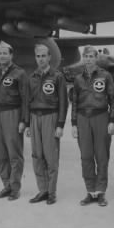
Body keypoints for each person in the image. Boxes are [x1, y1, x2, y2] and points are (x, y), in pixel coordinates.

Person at [71, 46, 114, 207]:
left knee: (102, 156)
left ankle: (101, 192)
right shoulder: (78, 79)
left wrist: (112, 121)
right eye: (86, 56)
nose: (89, 59)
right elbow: (75, 103)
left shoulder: (105, 76)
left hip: (101, 117)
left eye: (92, 56)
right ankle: (90, 191)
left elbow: (113, 100)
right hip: (83, 118)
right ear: (83, 58)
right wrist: (74, 124)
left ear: (96, 58)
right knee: (86, 156)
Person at [25, 43, 68, 205]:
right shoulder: (32, 77)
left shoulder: (57, 77)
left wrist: (60, 125)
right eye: (38, 56)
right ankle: (42, 190)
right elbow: (27, 102)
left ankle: (51, 192)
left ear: (49, 57)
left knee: (51, 156)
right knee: (37, 156)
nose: (41, 59)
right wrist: (28, 124)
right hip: (35, 117)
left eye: (44, 56)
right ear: (35, 58)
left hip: (51, 117)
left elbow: (64, 103)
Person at [0, 41, 27, 201]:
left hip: (13, 114)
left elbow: (25, 98)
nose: (2, 56)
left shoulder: (20, 73)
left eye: (5, 53)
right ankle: (7, 185)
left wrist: (24, 120)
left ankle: (15, 188)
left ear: (11, 55)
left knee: (14, 153)